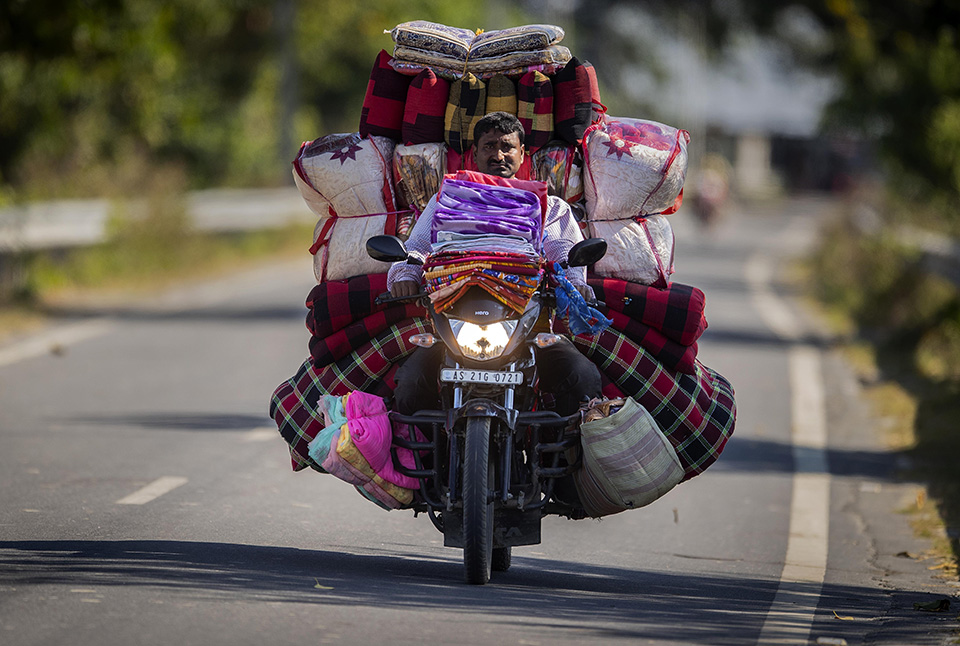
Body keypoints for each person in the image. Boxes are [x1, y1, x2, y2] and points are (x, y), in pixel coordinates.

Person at [387, 111, 602, 418]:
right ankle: (427, 458)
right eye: (488, 146)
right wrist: (406, 273)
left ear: (522, 153)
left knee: (583, 378)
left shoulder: (548, 206)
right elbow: (418, 247)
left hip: (527, 328)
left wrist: (575, 283)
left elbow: (564, 252)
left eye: (506, 146)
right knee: (409, 384)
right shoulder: (446, 201)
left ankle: (561, 459)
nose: (498, 155)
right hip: (454, 325)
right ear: (474, 153)